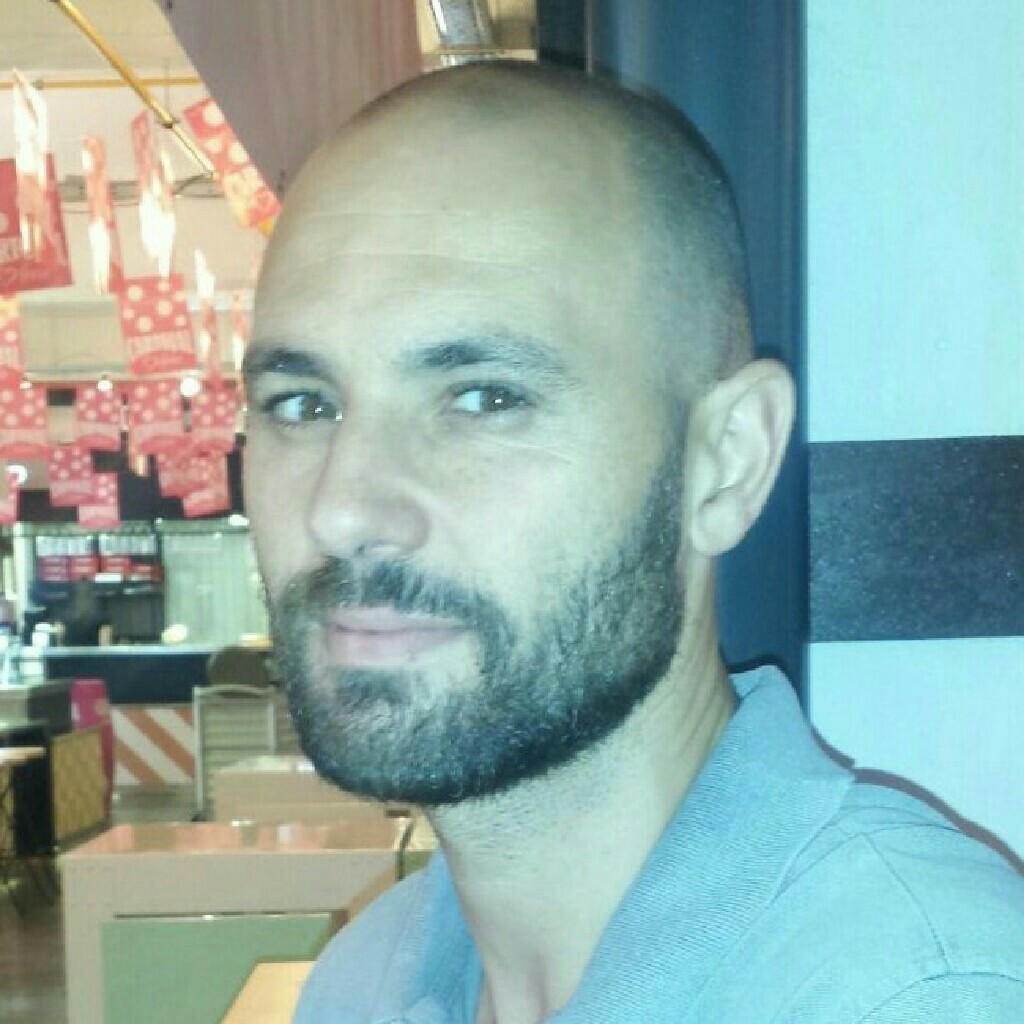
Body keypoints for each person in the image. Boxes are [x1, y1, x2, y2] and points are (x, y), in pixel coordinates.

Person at [242, 62, 1024, 1023]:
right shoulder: (363, 982)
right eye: (301, 404)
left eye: (485, 398)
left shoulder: (915, 997)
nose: (342, 508)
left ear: (725, 464)